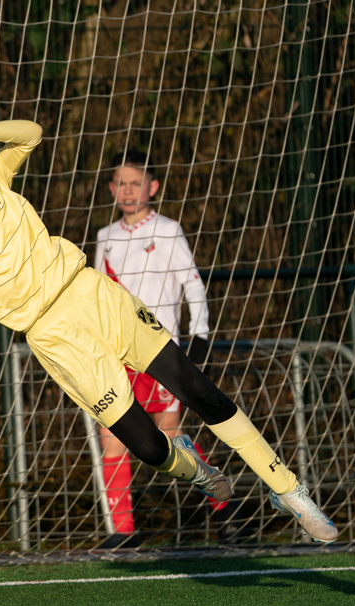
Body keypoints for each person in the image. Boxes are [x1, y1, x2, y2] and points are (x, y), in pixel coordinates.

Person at [0, 105, 338, 546]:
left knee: (199, 390)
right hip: (54, 337)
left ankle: (289, 491)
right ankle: (196, 471)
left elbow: (32, 133)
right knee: (149, 448)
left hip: (91, 296)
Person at [92, 149, 224, 548]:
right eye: (121, 184)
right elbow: (98, 294)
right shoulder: (105, 238)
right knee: (110, 433)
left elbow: (192, 284)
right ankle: (123, 533)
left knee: (168, 431)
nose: (128, 191)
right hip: (117, 352)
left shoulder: (167, 229)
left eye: (136, 183)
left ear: (152, 187)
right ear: (112, 189)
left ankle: (225, 507)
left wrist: (199, 337)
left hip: (159, 350)